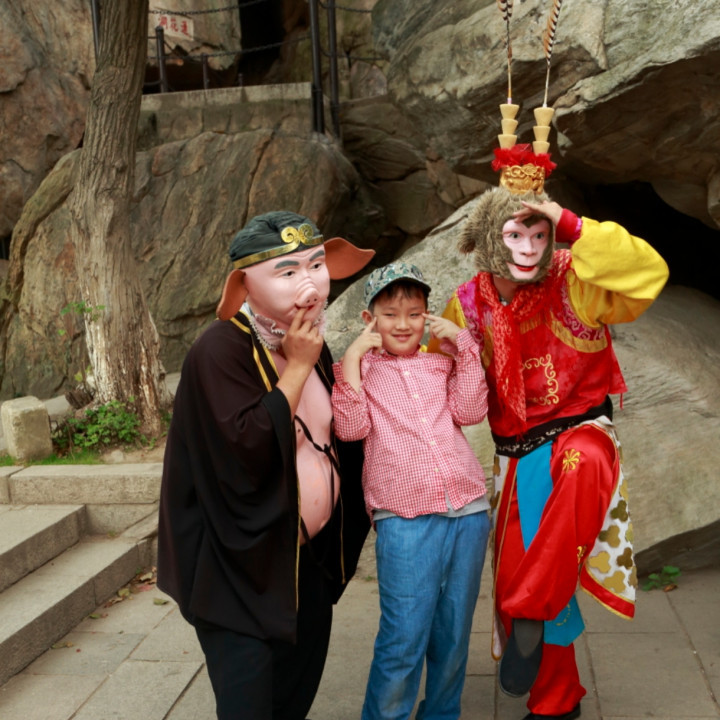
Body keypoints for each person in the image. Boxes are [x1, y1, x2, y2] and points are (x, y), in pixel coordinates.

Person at [430, 180, 669, 720]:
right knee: (523, 572)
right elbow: (433, 385)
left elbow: (649, 273)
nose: (530, 248)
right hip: (515, 457)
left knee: (582, 461)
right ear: (489, 238)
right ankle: (556, 703)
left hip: (581, 434)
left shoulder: (576, 280)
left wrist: (573, 225)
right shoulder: (465, 306)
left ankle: (532, 604)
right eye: (515, 235)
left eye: (540, 235)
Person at [156, 211, 375, 720]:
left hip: (309, 566)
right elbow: (246, 449)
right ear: (244, 286)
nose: (310, 286)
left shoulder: (310, 339)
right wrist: (296, 367)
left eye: (316, 265)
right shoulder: (218, 351)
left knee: (292, 699)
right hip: (238, 575)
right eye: (288, 272)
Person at [331, 262, 492, 720]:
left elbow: (471, 410)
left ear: (427, 316)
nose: (403, 324)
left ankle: (441, 714)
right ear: (370, 319)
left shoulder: (441, 364)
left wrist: (463, 344)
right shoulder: (361, 371)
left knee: (454, 635)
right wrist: (352, 359)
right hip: (403, 519)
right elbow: (351, 428)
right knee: (403, 636)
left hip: (468, 512)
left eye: (414, 313)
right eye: (390, 314)